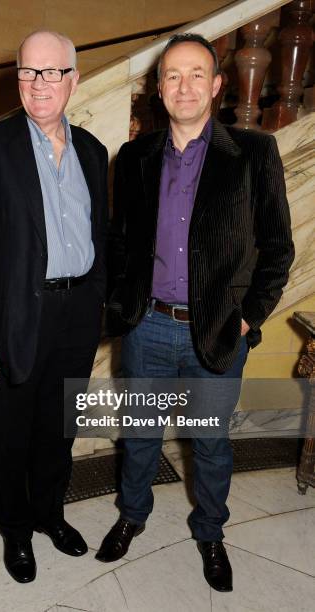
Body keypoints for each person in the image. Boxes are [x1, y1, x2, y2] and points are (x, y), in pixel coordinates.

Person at [96, 33, 294, 593]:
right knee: (139, 434)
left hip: (217, 331)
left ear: (217, 84)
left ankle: (210, 532)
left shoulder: (254, 153)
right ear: (159, 90)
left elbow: (278, 251)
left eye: (196, 74)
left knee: (209, 441)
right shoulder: (134, 157)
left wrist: (248, 317)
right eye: (172, 75)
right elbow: (118, 242)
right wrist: (121, 305)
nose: (184, 85)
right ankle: (132, 515)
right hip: (146, 327)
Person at [0, 30, 108, 583]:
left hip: (77, 317)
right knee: (10, 436)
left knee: (59, 431)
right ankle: (16, 531)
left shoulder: (93, 151)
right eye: (28, 72)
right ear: (17, 77)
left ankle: (49, 513)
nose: (39, 84)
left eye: (52, 72)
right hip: (13, 319)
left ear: (74, 78)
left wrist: (100, 308)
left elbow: (100, 236)